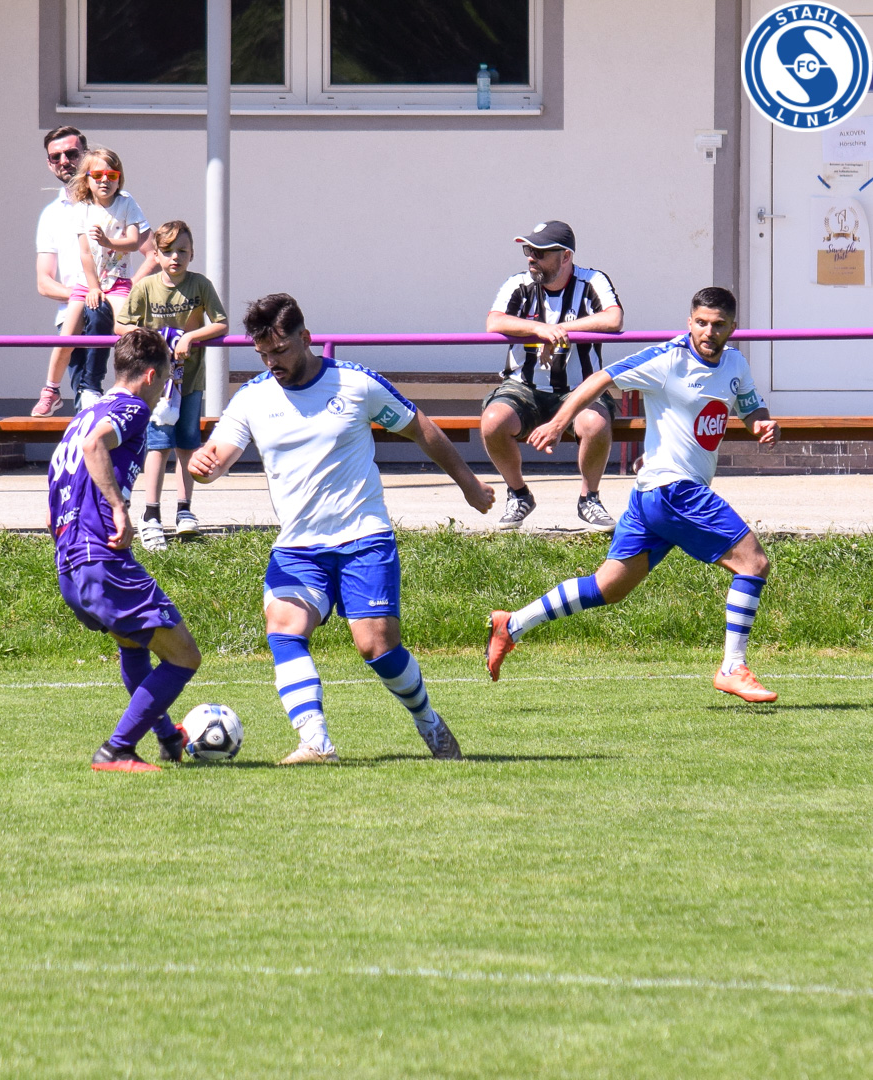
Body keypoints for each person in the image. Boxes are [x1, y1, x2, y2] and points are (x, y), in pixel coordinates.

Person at [190, 294, 495, 764]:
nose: (273, 363)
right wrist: (205, 466)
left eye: (280, 351)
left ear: (306, 338)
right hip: (298, 547)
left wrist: (469, 484)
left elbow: (421, 429)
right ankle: (316, 742)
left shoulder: (355, 384)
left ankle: (428, 721)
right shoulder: (252, 397)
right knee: (284, 627)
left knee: (377, 647)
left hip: (363, 539)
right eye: (263, 354)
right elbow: (220, 454)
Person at [486, 287, 780, 703]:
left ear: (733, 327)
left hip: (651, 496)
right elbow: (599, 379)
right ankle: (733, 667)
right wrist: (558, 422)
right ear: (689, 321)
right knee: (753, 563)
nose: (708, 332)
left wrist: (762, 424)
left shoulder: (735, 363)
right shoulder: (667, 359)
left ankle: (512, 624)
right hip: (674, 489)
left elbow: (751, 410)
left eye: (717, 325)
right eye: (700, 322)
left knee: (607, 587)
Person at [48, 328, 201, 771]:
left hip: (71, 561)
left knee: (134, 646)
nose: (165, 391)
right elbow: (95, 445)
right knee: (184, 655)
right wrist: (118, 507)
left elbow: (58, 480)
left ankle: (168, 737)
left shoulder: (83, 415)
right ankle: (116, 749)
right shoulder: (131, 408)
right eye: (166, 380)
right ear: (150, 376)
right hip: (101, 556)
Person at [482, 220, 625, 532]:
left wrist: (559, 331)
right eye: (529, 250)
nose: (531, 257)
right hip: (524, 386)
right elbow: (494, 322)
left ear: (566, 257)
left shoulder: (592, 281)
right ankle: (518, 494)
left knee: (595, 423)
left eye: (541, 252)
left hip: (581, 387)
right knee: (493, 421)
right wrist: (539, 329)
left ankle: (589, 498)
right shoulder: (518, 284)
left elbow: (614, 319)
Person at [115, 220, 228, 550]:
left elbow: (220, 323)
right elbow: (121, 324)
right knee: (158, 443)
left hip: (189, 381)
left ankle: (184, 510)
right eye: (167, 251)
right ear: (156, 254)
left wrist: (190, 336)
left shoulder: (200, 285)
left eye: (182, 251)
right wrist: (155, 338)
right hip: (155, 386)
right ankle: (151, 513)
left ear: (192, 254)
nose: (175, 257)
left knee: (187, 443)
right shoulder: (146, 287)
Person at [32, 147, 148, 416]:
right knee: (67, 337)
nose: (105, 180)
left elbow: (134, 242)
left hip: (117, 280)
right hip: (88, 282)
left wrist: (108, 242)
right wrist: (93, 287)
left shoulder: (126, 202)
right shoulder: (82, 209)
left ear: (119, 178)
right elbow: (85, 253)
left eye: (111, 175)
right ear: (87, 179)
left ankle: (141, 380)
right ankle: (51, 389)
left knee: (126, 329)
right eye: (97, 175)